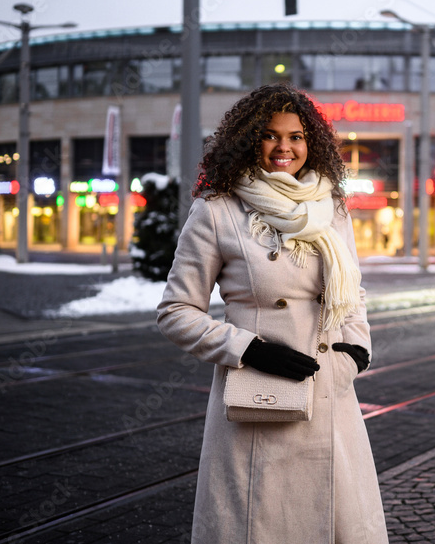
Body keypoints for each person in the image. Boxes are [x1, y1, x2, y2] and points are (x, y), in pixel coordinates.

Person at [157, 84, 388, 543]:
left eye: (296, 136)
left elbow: (351, 292)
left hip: (329, 394)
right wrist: (250, 350)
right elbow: (176, 311)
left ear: (311, 143)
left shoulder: (331, 209)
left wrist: (356, 351)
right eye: (270, 135)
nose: (285, 147)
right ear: (248, 140)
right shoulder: (218, 212)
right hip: (261, 400)